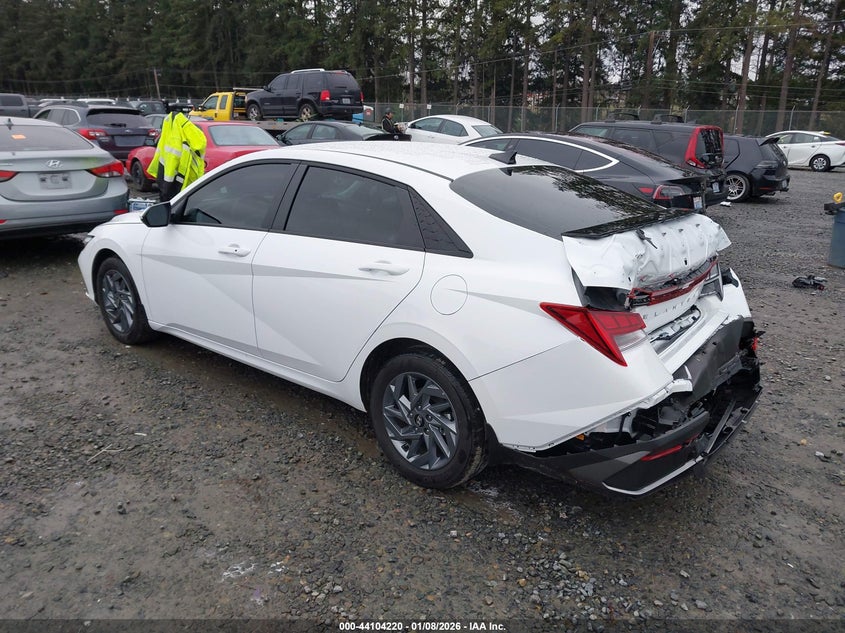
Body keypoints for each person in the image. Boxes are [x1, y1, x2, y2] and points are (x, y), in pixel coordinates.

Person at [147, 104, 207, 202]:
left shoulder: (168, 125)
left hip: (167, 179)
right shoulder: (183, 127)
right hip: (182, 180)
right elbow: (200, 144)